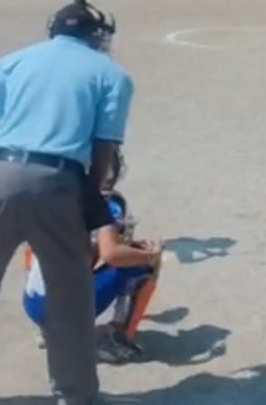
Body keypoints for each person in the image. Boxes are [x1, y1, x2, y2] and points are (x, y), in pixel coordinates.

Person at [0, 2, 134, 405]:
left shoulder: (10, 62)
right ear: (95, 35)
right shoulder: (111, 74)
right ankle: (76, 393)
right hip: (58, 181)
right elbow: (103, 149)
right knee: (69, 294)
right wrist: (89, 203)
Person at [20, 152, 164, 363]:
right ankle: (118, 335)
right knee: (145, 263)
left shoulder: (52, 194)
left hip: (33, 303)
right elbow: (112, 255)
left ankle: (47, 332)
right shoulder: (107, 202)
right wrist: (149, 253)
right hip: (63, 308)